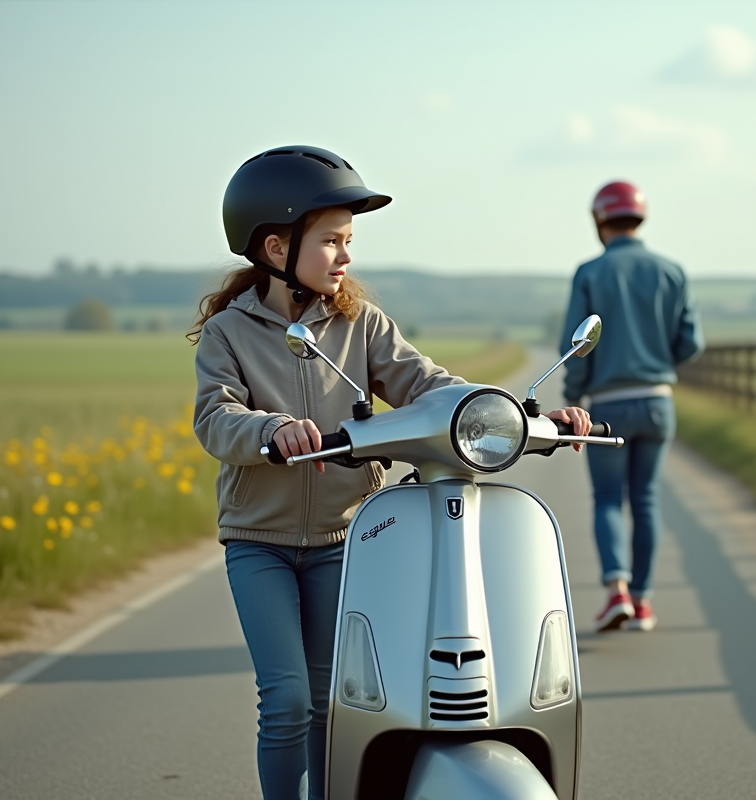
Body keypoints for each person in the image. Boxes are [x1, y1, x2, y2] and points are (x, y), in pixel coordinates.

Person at [190, 145, 590, 800]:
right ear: (273, 246)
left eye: (348, 241)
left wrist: (518, 415)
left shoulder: (361, 323)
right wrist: (271, 431)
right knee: (287, 698)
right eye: (331, 241)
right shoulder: (229, 334)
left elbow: (430, 386)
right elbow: (216, 417)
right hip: (258, 542)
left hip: (344, 540)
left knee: (333, 701)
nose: (345, 256)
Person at [559, 180, 704, 634]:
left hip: (608, 405)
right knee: (645, 500)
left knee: (607, 499)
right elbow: (692, 343)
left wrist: (573, 396)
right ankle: (642, 603)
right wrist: (658, 361)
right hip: (659, 402)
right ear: (639, 218)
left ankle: (616, 591)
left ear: (600, 220)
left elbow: (578, 345)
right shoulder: (672, 271)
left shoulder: (590, 273)